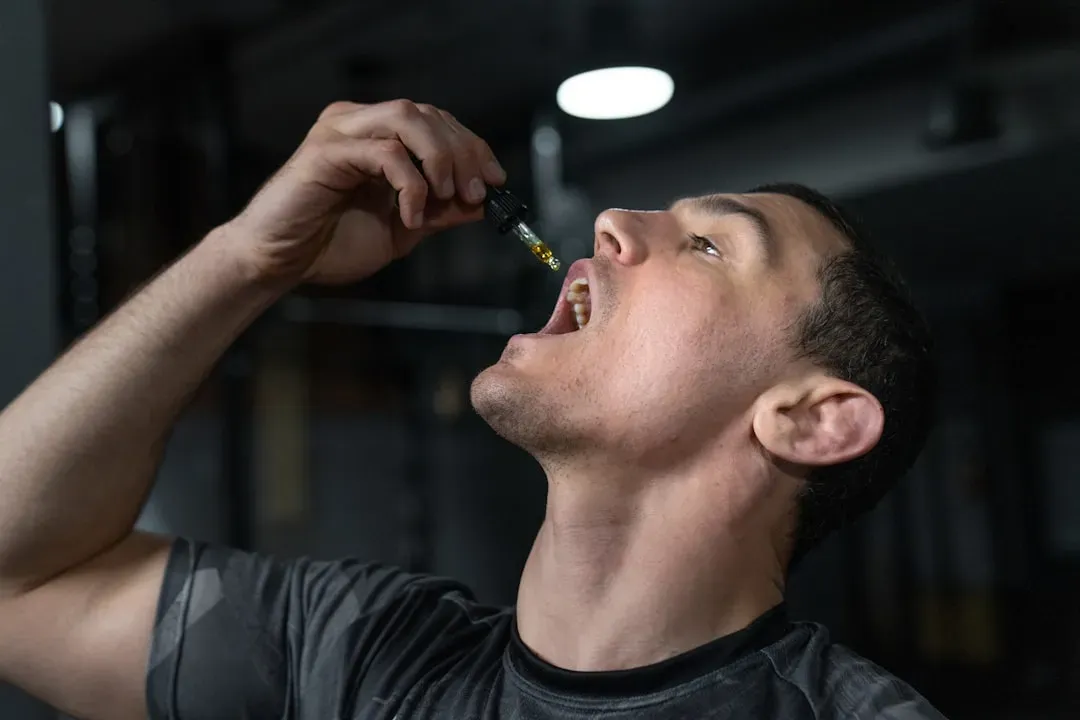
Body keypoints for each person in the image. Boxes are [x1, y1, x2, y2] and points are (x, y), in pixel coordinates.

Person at [0, 99, 942, 719]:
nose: (615, 221)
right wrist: (249, 257)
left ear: (812, 419)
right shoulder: (358, 661)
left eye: (708, 248)